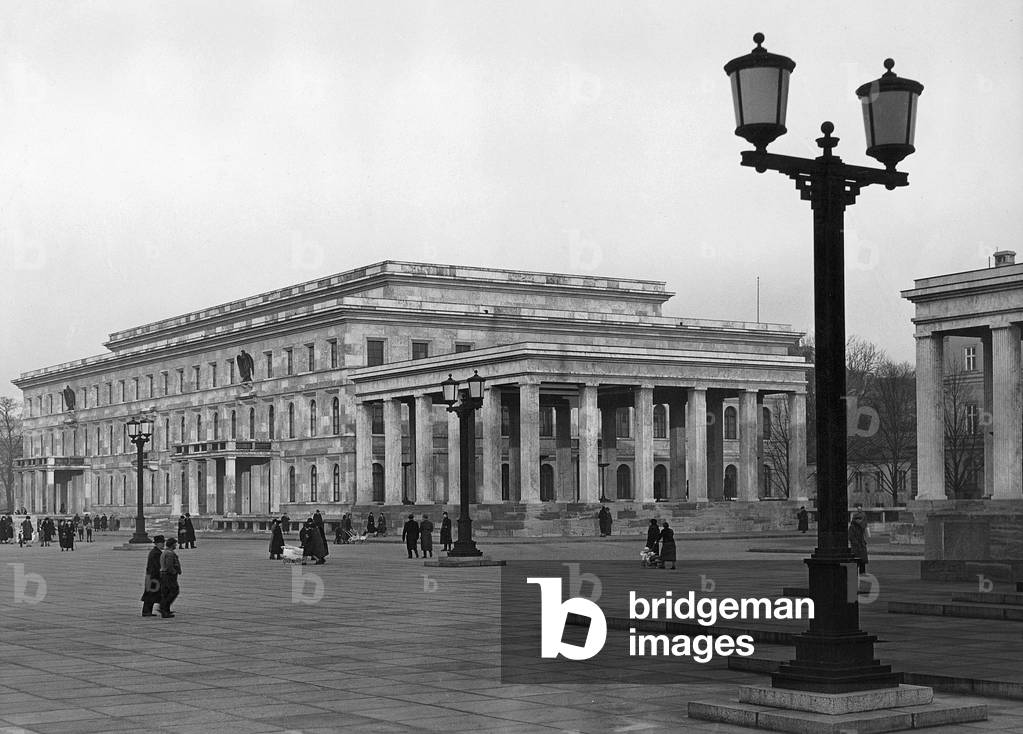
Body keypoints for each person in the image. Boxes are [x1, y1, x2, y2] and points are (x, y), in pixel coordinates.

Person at [141, 535, 165, 616]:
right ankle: (146, 611)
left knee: (151, 593)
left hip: (151, 576)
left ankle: (147, 611)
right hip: (153, 576)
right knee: (151, 594)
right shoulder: (156, 553)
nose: (163, 544)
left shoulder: (155, 552)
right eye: (162, 543)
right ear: (158, 544)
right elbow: (157, 566)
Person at [159, 538, 182, 618]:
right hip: (168, 575)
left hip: (164, 574)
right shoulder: (169, 553)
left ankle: (165, 609)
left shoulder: (165, 552)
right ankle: (163, 608)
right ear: (172, 545)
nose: (176, 545)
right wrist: (174, 572)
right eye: (175, 544)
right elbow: (169, 565)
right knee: (174, 591)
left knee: (167, 592)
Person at [849, 508, 869, 574]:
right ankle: (857, 571)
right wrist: (856, 542)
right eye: (858, 519)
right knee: (857, 558)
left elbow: (864, 535)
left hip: (861, 544)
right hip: (856, 545)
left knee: (862, 559)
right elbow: (851, 536)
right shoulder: (853, 526)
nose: (859, 520)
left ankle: (862, 571)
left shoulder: (862, 526)